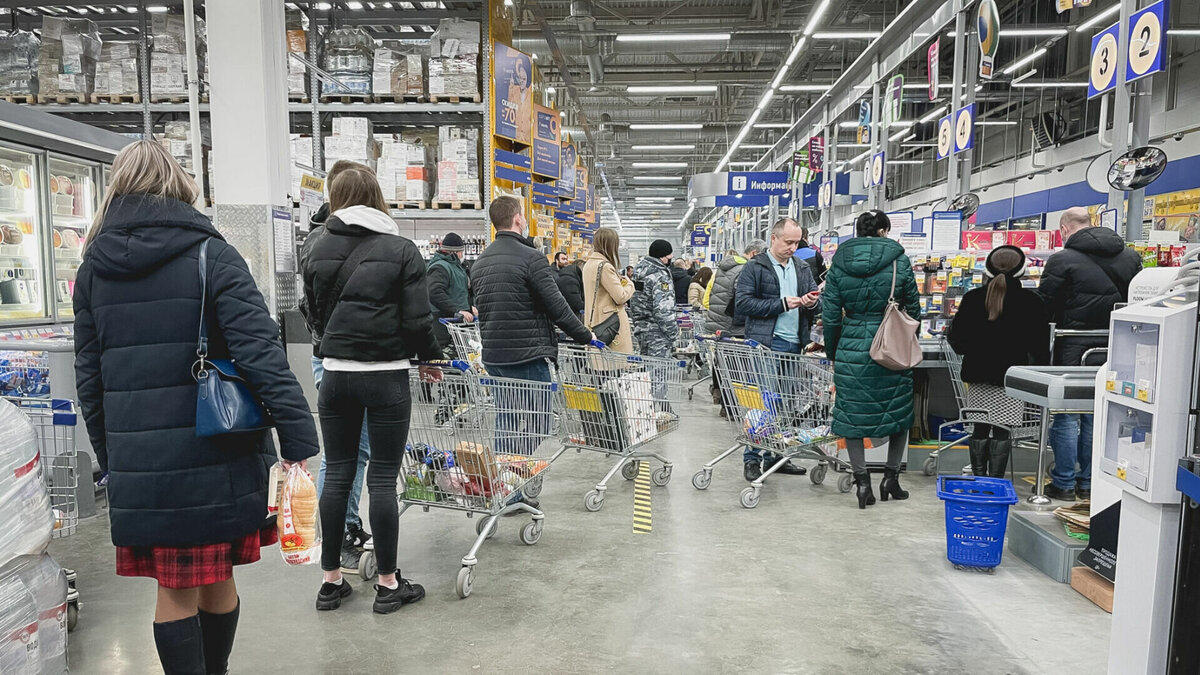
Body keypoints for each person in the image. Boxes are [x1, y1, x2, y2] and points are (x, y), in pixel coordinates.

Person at [73, 141, 319, 674]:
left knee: (173, 589)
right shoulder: (213, 255)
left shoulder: (93, 268)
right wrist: (298, 438)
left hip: (142, 462)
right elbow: (260, 354)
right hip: (217, 453)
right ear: (181, 185)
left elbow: (88, 377)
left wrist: (113, 460)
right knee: (216, 576)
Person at [302, 164, 444, 614]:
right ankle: (387, 584)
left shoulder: (316, 246)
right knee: (382, 477)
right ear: (377, 197)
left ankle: (330, 582)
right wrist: (430, 359)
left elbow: (311, 310)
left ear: (336, 198)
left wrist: (329, 347)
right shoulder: (402, 250)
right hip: (386, 376)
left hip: (335, 376)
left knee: (338, 473)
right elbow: (417, 318)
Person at [297, 159, 375, 577]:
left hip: (332, 354)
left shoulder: (318, 237)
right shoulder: (327, 239)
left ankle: (344, 524)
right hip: (342, 358)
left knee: (352, 450)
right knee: (345, 452)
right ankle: (338, 532)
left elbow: (308, 307)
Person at [1037, 207, 1142, 501]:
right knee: (1100, 413)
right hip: (1116, 345)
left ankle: (1063, 482)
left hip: (1072, 344)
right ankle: (1089, 482)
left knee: (1067, 414)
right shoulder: (1131, 257)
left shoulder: (1061, 260)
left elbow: (1046, 305)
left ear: (1064, 229)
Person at [822, 210, 921, 509]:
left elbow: (830, 315)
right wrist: (906, 337)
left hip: (851, 344)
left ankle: (862, 483)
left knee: (852, 416)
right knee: (898, 414)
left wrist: (834, 352)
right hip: (891, 345)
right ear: (883, 231)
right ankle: (891, 479)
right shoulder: (899, 260)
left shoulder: (839, 262)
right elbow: (913, 307)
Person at [946, 246, 1051, 478]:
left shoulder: (972, 298)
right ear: (1022, 271)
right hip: (1012, 380)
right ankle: (995, 482)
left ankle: (978, 477)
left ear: (987, 269)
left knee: (979, 428)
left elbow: (958, 341)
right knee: (1003, 430)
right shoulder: (1032, 302)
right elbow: (1040, 348)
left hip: (977, 376)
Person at [471, 195, 594, 381]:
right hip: (527, 357)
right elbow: (557, 306)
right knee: (535, 401)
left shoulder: (480, 263)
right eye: (523, 215)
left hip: (494, 358)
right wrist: (586, 336)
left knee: (506, 402)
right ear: (517, 219)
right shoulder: (532, 258)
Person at [735, 218, 820, 482]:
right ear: (773, 238)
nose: (793, 247)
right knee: (763, 404)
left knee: (785, 404)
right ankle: (752, 458)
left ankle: (776, 455)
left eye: (796, 242)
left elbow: (817, 303)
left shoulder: (802, 267)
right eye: (788, 242)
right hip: (766, 344)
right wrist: (782, 304)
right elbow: (743, 304)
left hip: (794, 344)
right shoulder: (755, 267)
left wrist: (811, 302)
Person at [706, 240, 766, 412]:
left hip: (719, 321)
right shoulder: (744, 269)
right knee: (736, 369)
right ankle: (730, 407)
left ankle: (720, 396)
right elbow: (742, 301)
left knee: (723, 364)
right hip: (734, 325)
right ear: (754, 254)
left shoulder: (725, 268)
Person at [583, 228, 635, 353]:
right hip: (610, 326)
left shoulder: (588, 264)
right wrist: (629, 284)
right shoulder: (605, 267)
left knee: (598, 362)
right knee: (615, 363)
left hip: (594, 322)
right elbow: (620, 296)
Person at [629, 240, 681, 364]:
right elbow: (663, 310)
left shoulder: (639, 271)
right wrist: (674, 334)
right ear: (662, 257)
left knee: (647, 370)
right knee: (659, 372)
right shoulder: (660, 276)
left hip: (641, 328)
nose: (671, 258)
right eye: (669, 255)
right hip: (657, 333)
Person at [427, 232, 475, 352]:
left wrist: (470, 308)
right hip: (444, 325)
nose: (462, 255)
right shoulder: (440, 267)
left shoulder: (457, 266)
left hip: (458, 324)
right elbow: (434, 292)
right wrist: (457, 311)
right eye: (461, 252)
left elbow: (459, 292)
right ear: (455, 252)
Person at [554, 251, 585, 315]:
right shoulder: (570, 281)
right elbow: (576, 303)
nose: (566, 261)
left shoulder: (568, 277)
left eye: (566, 259)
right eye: (563, 259)